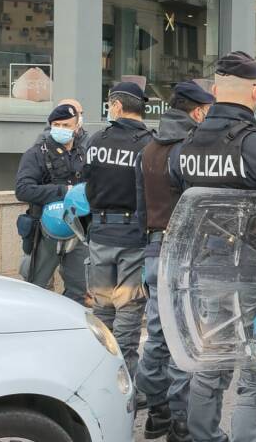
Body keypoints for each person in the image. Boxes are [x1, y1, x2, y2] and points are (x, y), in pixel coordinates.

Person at [170, 52, 256, 442]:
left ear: (217, 91)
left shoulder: (185, 147)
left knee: (212, 364)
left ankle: (203, 436)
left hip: (205, 272)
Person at [135, 81, 213, 442]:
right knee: (183, 336)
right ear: (197, 111)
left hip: (153, 247)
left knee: (156, 337)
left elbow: (141, 208)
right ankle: (180, 422)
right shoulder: (189, 149)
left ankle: (157, 412)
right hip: (184, 252)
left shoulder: (148, 147)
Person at [83, 82, 153, 387]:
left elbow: (87, 183)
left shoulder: (96, 140)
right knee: (128, 312)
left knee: (101, 309)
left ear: (117, 106)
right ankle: (123, 382)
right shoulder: (149, 144)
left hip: (99, 234)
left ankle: (98, 376)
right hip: (133, 236)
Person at [14, 103, 87, 303]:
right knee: (35, 287)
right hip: (44, 229)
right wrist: (64, 191)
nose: (61, 129)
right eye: (57, 124)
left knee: (80, 288)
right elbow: (23, 190)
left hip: (78, 229)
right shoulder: (36, 153)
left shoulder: (83, 152)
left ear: (77, 127)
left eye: (66, 125)